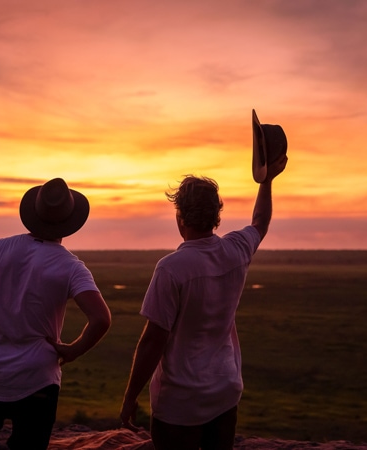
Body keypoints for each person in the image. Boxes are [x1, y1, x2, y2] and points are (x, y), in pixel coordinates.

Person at [119, 152, 288, 449]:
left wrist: (130, 396)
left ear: (179, 216)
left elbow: (152, 342)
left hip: (179, 404)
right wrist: (267, 181)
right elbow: (260, 222)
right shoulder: (236, 250)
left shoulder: (171, 268)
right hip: (224, 392)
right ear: (216, 216)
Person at [0, 178, 111, 450]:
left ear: (33, 213)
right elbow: (101, 319)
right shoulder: (71, 266)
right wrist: (73, 350)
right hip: (38, 376)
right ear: (70, 221)